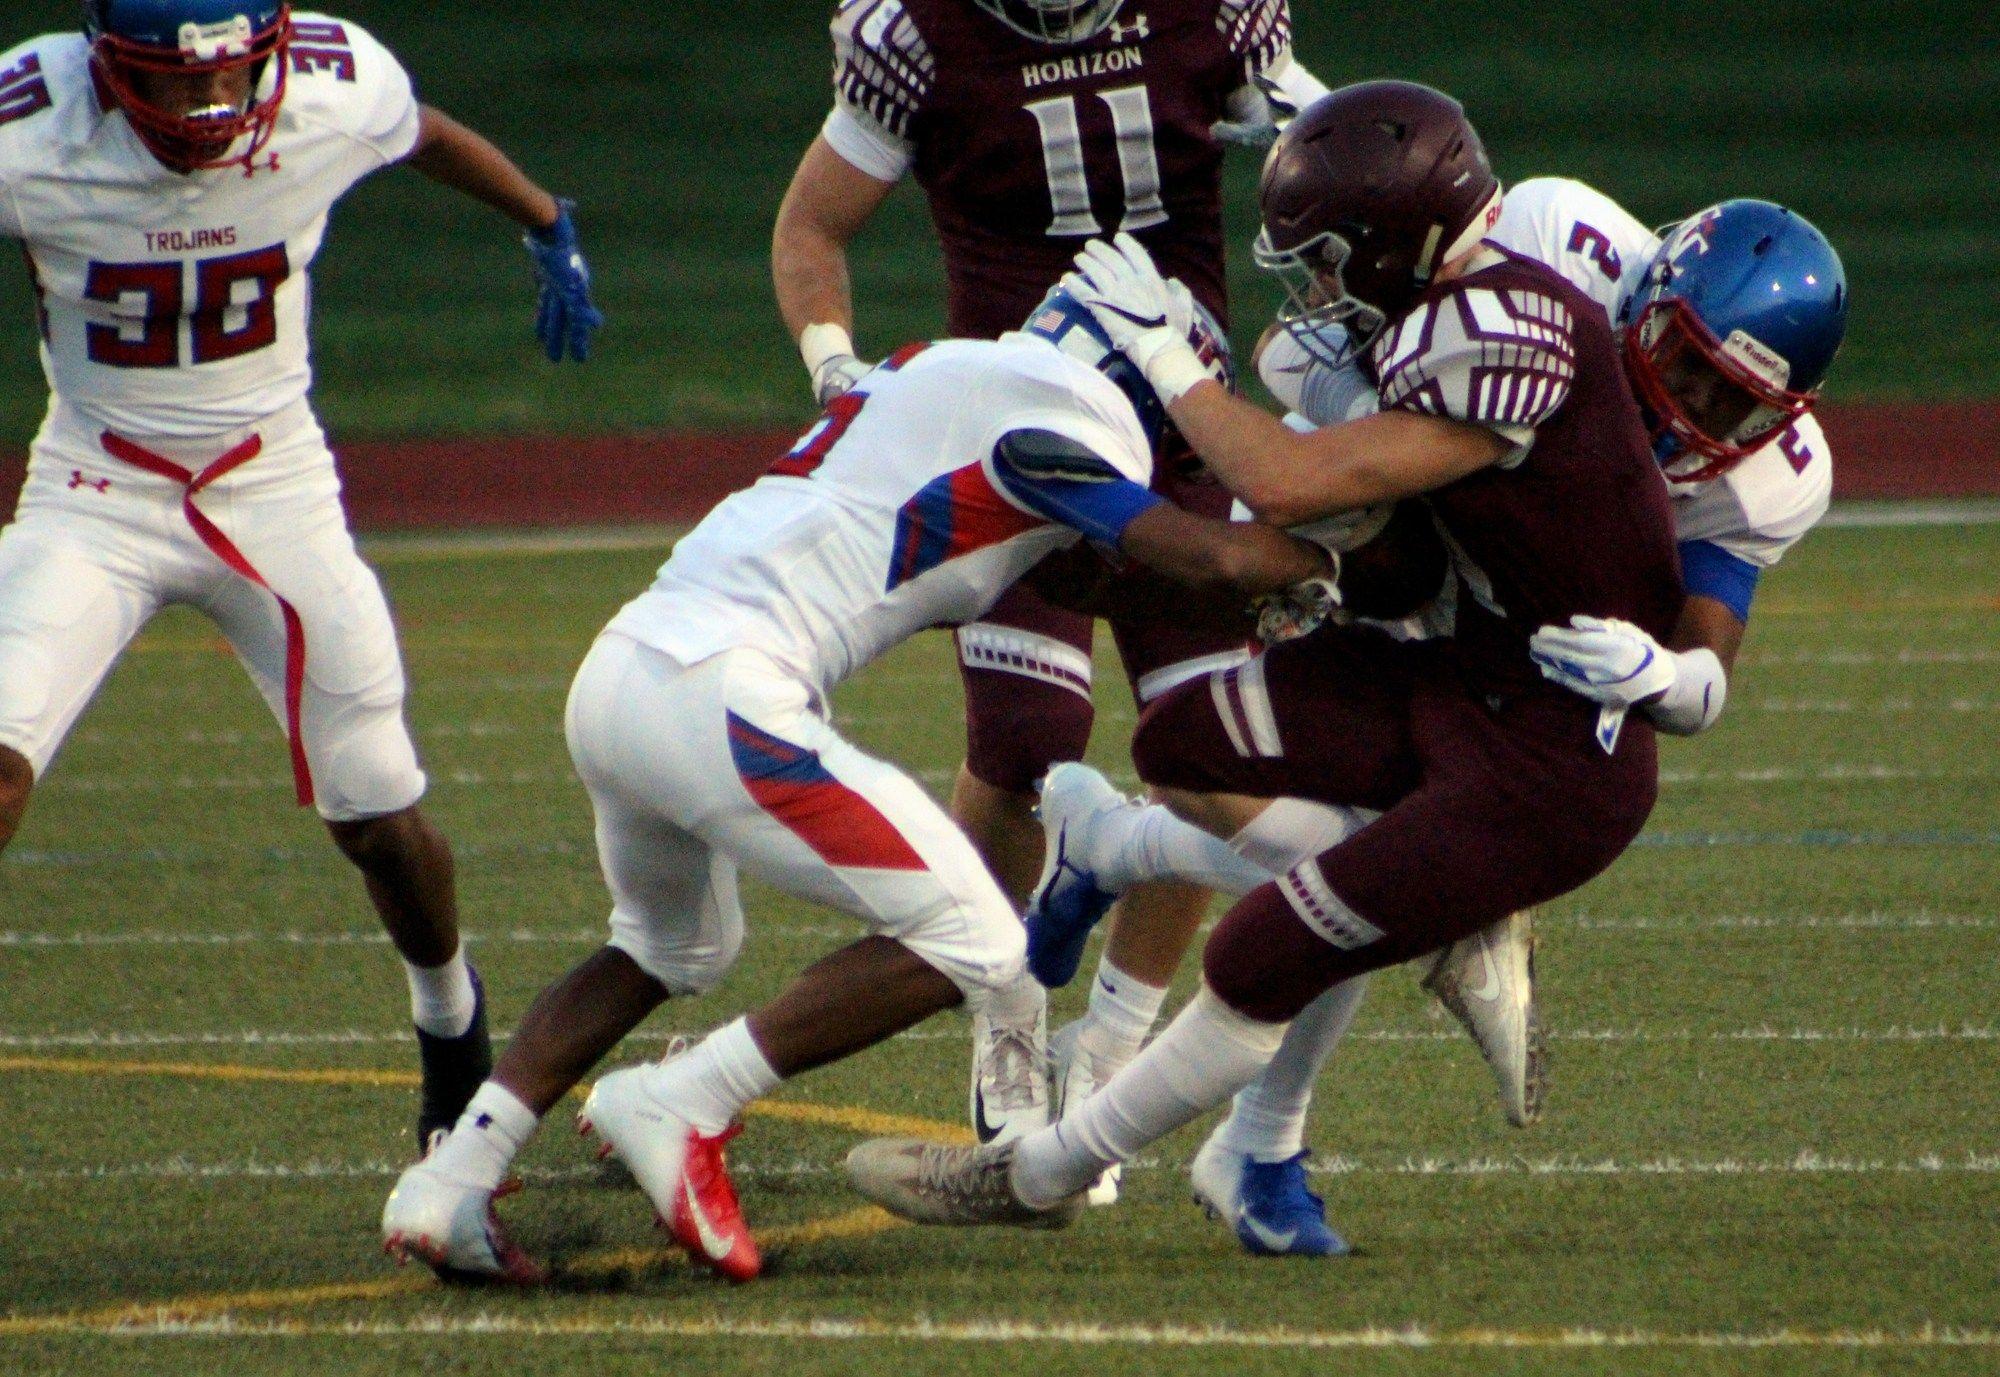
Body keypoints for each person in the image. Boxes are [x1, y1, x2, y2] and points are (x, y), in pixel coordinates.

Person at [845, 80, 1686, 1239]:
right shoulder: (1445, 304)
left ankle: (1031, 1175)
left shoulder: (1508, 332)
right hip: (1459, 676)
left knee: (1259, 949)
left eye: (1333, 257)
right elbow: (1362, 503)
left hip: (1550, 759)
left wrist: (1170, 366)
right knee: (1181, 738)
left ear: (1404, 237)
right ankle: (1118, 845)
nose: (1319, 287)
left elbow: (1289, 483)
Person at [380, 290, 1337, 1284]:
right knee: (978, 939)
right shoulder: (1051, 415)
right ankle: (684, 1097)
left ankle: (455, 1175)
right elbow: (1213, 553)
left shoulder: (935, 378)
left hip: (628, 666)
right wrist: (1335, 557)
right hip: (722, 694)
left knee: (670, 944)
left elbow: (1074, 572)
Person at [1024, 180, 1848, 1254]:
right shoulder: (1555, 244)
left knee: (1379, 868)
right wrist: (1384, 447)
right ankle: (1246, 1130)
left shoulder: (1771, 483)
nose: (1687, 405)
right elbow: (1312, 343)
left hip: (1520, 629)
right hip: (1389, 523)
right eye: (1680, 357)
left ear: (1782, 414)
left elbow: (1699, 661)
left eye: (1726, 399)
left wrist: (1667, 678)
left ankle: (1135, 898)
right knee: (1351, 846)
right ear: (1644, 294)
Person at [0, 0, 602, 1149]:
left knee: (377, 808)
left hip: (272, 483)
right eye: (170, 84)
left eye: (225, 78)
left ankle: (450, 1025)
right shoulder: (31, 126)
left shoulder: (329, 89)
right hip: (93, 490)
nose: (204, 106)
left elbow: (421, 131)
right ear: (105, 70)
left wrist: (541, 220)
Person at [771, 0, 1330, 1156]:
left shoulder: (1208, 17)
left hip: (1184, 432)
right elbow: (812, 227)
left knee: (1210, 747)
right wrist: (840, 375)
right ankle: (1007, 1013)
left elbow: (1330, 159)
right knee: (1026, 739)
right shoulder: (920, 35)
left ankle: (1109, 1054)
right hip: (1019, 445)